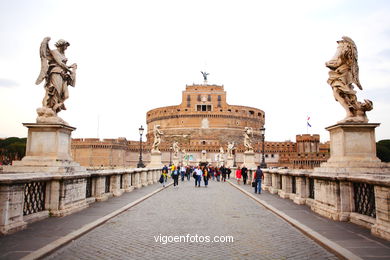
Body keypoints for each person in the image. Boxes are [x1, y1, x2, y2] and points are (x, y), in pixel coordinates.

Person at [36, 37, 77, 114]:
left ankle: (57, 106)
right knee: (55, 92)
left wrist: (70, 67)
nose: (66, 48)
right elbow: (60, 63)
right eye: (65, 46)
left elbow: (63, 65)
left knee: (65, 95)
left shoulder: (62, 54)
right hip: (55, 73)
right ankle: (50, 110)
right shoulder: (54, 52)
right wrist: (69, 70)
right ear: (61, 45)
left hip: (62, 75)